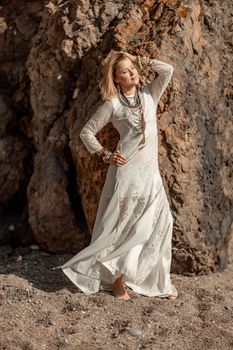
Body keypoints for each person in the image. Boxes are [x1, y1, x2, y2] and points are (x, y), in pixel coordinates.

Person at [52, 49, 178, 301]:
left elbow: (168, 70)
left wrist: (139, 59)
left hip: (150, 173)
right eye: (125, 71)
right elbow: (86, 132)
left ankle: (156, 281)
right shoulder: (113, 104)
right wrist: (105, 154)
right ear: (115, 79)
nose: (132, 73)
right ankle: (117, 280)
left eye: (133, 69)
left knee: (160, 224)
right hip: (126, 173)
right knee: (123, 227)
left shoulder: (149, 94)